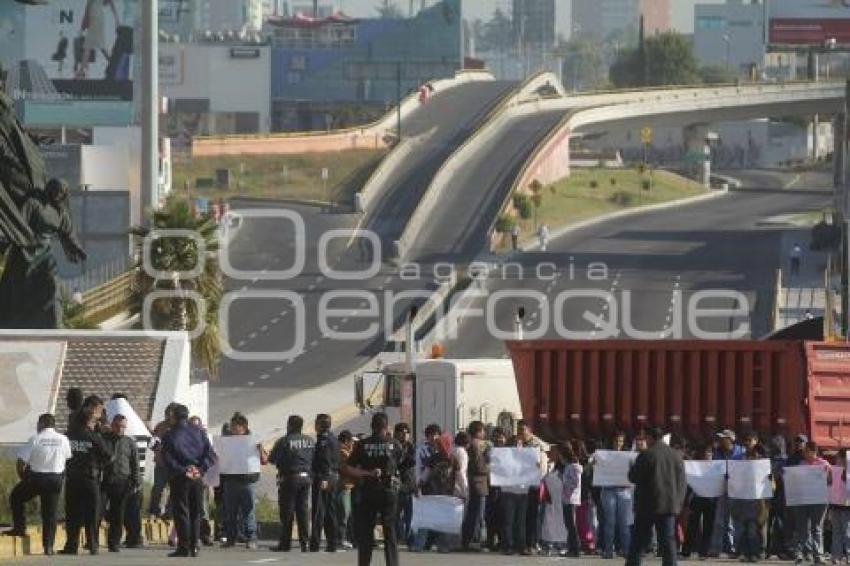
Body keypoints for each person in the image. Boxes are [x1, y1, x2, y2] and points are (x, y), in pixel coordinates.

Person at [3, 414, 71, 555]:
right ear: (53, 425)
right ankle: (48, 547)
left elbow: (21, 462)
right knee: (50, 514)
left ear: (41, 424)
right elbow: (67, 458)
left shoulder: (35, 439)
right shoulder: (63, 439)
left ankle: (20, 528)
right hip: (55, 479)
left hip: (37, 478)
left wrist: (23, 478)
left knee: (16, 497)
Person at [343, 412, 403, 566]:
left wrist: (366, 473)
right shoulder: (395, 444)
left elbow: (348, 468)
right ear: (386, 426)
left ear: (372, 426)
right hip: (389, 491)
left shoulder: (362, 444)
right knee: (390, 531)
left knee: (366, 532)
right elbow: (402, 464)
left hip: (368, 490)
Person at [160, 403, 215, 558]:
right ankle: (194, 546)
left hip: (180, 477)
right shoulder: (199, 432)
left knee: (182, 511)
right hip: (197, 476)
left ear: (174, 417)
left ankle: (184, 547)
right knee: (196, 512)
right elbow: (210, 455)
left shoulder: (170, 435)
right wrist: (200, 469)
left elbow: (168, 458)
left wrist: (184, 470)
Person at [626, 426, 687, 566]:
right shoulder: (676, 455)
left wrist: (632, 467)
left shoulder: (646, 455)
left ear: (649, 437)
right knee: (668, 541)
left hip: (647, 506)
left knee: (638, 541)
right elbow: (682, 483)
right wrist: (678, 503)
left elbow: (634, 477)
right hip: (669, 506)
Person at [59, 405, 113, 556]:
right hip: (90, 479)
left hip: (72, 479)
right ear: (90, 421)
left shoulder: (68, 435)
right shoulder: (94, 437)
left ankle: (71, 545)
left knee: (72, 513)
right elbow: (109, 455)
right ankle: (93, 545)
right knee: (92, 513)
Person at [268, 415, 314, 552]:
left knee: (287, 513)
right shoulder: (310, 440)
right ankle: (304, 543)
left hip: (290, 479)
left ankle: (285, 544)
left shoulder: (284, 441)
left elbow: (272, 459)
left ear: (289, 425)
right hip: (306, 479)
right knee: (303, 512)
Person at [221, 412, 266, 550]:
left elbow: (264, 460)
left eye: (236, 427)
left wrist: (260, 449)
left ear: (244, 427)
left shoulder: (253, 441)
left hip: (248, 482)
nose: (233, 429)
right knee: (230, 512)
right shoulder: (227, 441)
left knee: (249, 511)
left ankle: (251, 538)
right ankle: (231, 539)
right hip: (230, 481)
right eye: (232, 427)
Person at [102, 414, 140, 553]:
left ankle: (114, 543)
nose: (120, 429)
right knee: (99, 511)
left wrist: (136, 481)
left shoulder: (129, 442)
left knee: (118, 514)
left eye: (123, 426)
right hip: (105, 481)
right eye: (118, 426)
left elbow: (135, 463)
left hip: (122, 481)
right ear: (112, 425)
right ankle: (92, 541)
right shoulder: (103, 440)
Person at [791, 441, 832, 565]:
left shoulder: (824, 464)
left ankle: (818, 556)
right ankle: (799, 554)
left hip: (819, 501)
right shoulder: (801, 464)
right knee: (802, 528)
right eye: (804, 451)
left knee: (817, 528)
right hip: (803, 500)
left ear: (813, 451)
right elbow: (795, 482)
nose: (804, 453)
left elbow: (830, 482)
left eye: (806, 451)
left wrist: (828, 473)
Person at [730, 444, 772, 563]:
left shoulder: (765, 469)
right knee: (745, 528)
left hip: (759, 504)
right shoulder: (743, 469)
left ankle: (755, 553)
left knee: (753, 529)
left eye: (756, 455)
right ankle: (747, 553)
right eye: (752, 455)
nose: (754, 457)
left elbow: (772, 487)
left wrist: (770, 480)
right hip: (744, 502)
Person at [710, 429, 745, 558]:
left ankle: (734, 549)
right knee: (719, 520)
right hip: (722, 489)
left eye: (723, 438)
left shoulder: (741, 452)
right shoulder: (717, 452)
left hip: (736, 490)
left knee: (735, 521)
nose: (721, 440)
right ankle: (716, 548)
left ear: (730, 439)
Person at [599, 430, 633, 559]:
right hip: (608, 490)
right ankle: (608, 550)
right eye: (616, 441)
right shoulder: (605, 454)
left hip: (623, 490)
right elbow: (598, 469)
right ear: (612, 441)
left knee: (624, 522)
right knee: (610, 522)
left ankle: (626, 549)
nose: (618, 443)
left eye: (620, 441)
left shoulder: (628, 455)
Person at [310, 413, 339, 553]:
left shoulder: (324, 441)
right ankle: (332, 543)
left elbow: (325, 460)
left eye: (316, 423)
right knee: (330, 511)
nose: (314, 425)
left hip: (324, 477)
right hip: (332, 477)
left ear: (320, 425)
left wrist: (325, 479)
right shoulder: (333, 438)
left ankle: (315, 544)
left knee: (318, 512)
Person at [681, 444, 716, 559]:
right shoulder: (695, 466)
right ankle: (686, 551)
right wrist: (686, 502)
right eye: (706, 452)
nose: (708, 455)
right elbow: (689, 484)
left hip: (711, 500)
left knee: (708, 526)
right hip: (696, 499)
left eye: (710, 452)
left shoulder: (717, 466)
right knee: (692, 525)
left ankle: (704, 552)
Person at [462, 420, 490, 551]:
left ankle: (468, 540)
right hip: (479, 483)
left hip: (475, 483)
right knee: (477, 514)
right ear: (478, 431)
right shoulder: (476, 445)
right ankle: (473, 541)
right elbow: (479, 466)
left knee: (473, 513)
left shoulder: (471, 444)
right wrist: (490, 467)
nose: (484, 433)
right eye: (483, 430)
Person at [149, 402, 179, 518]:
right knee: (158, 488)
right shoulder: (161, 426)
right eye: (167, 413)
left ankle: (169, 512)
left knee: (174, 490)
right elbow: (153, 443)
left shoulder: (180, 427)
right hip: (161, 464)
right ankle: (153, 510)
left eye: (171, 414)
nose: (168, 416)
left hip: (174, 465)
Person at [540, 445, 567, 555]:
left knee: (560, 521)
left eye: (551, 452)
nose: (549, 454)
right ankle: (549, 543)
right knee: (549, 520)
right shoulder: (549, 465)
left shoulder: (564, 468)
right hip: (550, 500)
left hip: (560, 500)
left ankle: (561, 543)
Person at [394, 422, 416, 549]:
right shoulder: (392, 445)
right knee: (395, 515)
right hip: (396, 484)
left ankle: (410, 541)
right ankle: (397, 538)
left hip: (409, 484)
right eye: (402, 432)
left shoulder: (411, 447)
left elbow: (411, 461)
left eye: (407, 432)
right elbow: (393, 463)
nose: (405, 434)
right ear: (396, 433)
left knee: (410, 516)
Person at [486, 427, 507, 552]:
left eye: (501, 437)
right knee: (490, 515)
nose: (498, 439)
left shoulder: (509, 451)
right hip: (491, 486)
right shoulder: (489, 451)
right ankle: (490, 541)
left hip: (504, 487)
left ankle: (501, 540)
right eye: (496, 436)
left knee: (502, 516)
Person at [560, 443, 583, 558]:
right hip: (567, 499)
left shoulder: (573, 466)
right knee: (569, 525)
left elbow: (575, 483)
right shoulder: (568, 466)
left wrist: (563, 481)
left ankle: (576, 548)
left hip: (571, 499)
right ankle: (571, 548)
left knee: (571, 525)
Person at [336, 430, 356, 550]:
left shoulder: (345, 451)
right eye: (352, 441)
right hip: (344, 486)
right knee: (344, 514)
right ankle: (340, 538)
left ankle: (343, 538)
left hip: (347, 486)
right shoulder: (343, 452)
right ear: (347, 441)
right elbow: (348, 468)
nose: (353, 443)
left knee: (346, 514)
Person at [830, 448, 850, 564]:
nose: (838, 460)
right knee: (836, 532)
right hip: (834, 506)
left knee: (847, 532)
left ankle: (848, 555)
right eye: (837, 458)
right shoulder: (833, 471)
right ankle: (836, 556)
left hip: (846, 506)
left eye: (840, 458)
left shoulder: (848, 473)